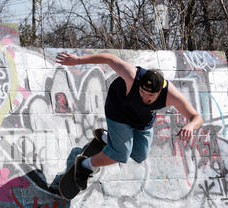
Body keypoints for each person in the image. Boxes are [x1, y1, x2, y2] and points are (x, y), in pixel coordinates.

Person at [55, 51, 203, 190]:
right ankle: (84, 164)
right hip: (118, 111)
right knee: (121, 154)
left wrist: (190, 126)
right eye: (142, 92)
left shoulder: (171, 95)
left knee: (140, 155)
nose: (144, 98)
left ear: (159, 92)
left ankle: (107, 138)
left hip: (142, 120)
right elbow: (109, 58)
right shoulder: (132, 76)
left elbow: (197, 118)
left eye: (149, 97)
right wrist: (78, 60)